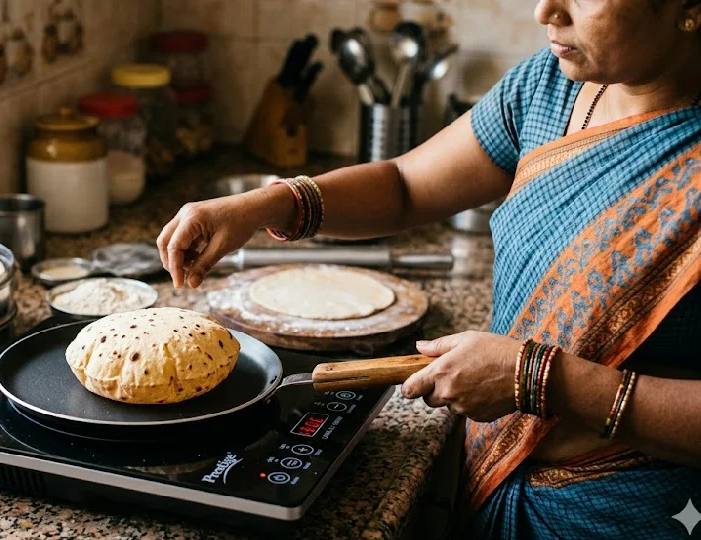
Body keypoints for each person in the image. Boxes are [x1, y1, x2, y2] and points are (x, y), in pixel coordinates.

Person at [156, 0, 701, 537]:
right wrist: (265, 206)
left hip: (631, 513)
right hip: (495, 484)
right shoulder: (550, 86)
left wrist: (540, 380)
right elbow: (405, 185)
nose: (545, 11)